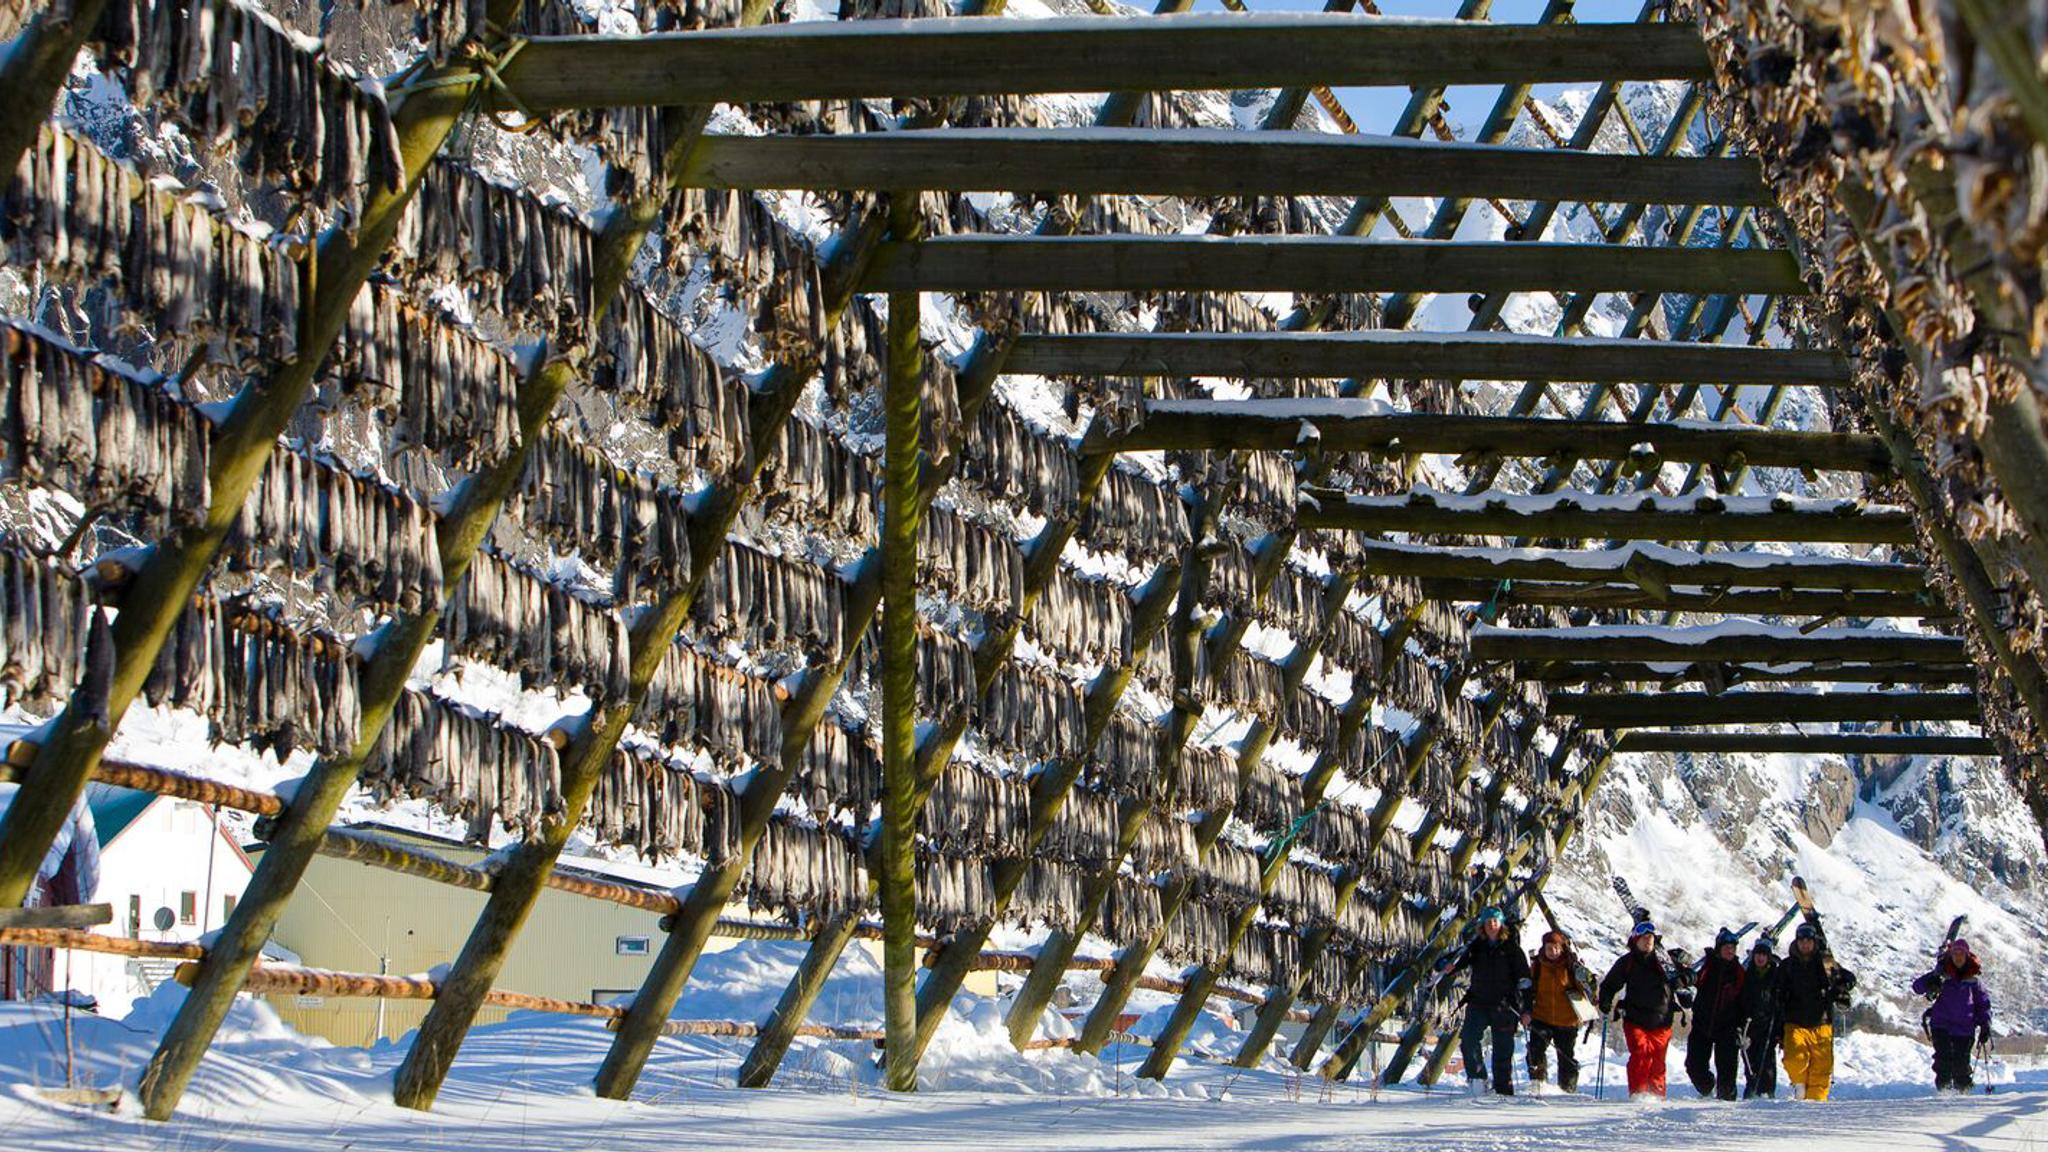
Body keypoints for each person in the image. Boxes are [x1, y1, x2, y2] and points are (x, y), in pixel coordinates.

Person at [1598, 919, 1689, 1099]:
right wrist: (1605, 1001)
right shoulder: (1627, 962)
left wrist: (1684, 979)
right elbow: (1609, 985)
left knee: (1657, 1060)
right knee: (1640, 1054)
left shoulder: (1666, 961)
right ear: (1635, 940)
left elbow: (1691, 974)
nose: (1648, 941)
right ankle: (1638, 1093)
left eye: (1651, 938)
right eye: (1644, 938)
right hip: (1635, 1018)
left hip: (1662, 1019)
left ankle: (1656, 1095)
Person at [1447, 906, 1533, 1096]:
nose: (1492, 925)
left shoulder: (1513, 949)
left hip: (1505, 1005)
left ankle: (1503, 1089)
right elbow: (1458, 961)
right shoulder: (1476, 947)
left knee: (1503, 1048)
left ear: (1501, 924)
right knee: (1468, 1039)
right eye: (1488, 922)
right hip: (1479, 1001)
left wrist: (1527, 1009)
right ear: (1483, 926)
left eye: (1495, 921)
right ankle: (1478, 1081)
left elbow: (1525, 981)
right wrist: (1448, 967)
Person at [1777, 921, 1857, 1101]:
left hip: (1822, 1022)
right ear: (1796, 942)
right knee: (1794, 1059)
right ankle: (1799, 1085)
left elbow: (1847, 977)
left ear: (1814, 942)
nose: (1805, 944)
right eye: (1801, 940)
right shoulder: (1788, 965)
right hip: (1794, 1021)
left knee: (1822, 1068)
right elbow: (1777, 990)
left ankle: (1816, 1103)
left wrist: (1845, 985)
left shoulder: (1825, 964)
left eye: (1808, 940)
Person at [1911, 938, 1992, 1091]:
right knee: (1943, 1060)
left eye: (1961, 953)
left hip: (1965, 1027)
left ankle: (1962, 1092)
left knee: (1961, 1063)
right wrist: (1932, 980)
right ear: (1951, 955)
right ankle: (1944, 1091)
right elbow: (1917, 987)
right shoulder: (1941, 975)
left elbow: (1983, 1005)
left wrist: (1985, 1025)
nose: (1958, 956)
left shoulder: (1974, 981)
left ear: (1967, 955)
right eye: (1955, 953)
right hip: (1941, 1024)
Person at [1526, 928, 1592, 1093]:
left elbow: (1587, 990)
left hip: (1567, 1019)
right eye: (1549, 948)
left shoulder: (1571, 967)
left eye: (1556, 948)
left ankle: (1567, 1089)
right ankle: (1538, 1083)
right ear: (1544, 948)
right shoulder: (1537, 966)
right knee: (1535, 1051)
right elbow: (1529, 989)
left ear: (1562, 948)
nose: (1553, 951)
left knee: (1566, 1056)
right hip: (1542, 1016)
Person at [1686, 928, 1747, 1100]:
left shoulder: (1739, 972)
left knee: (1727, 1073)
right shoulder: (1707, 966)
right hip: (1702, 1024)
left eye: (1733, 947)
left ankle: (1726, 1102)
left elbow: (1745, 999)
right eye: (1727, 946)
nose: (1730, 950)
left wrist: (1742, 1025)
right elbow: (1693, 980)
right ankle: (1707, 1088)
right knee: (1694, 1067)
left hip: (1728, 1027)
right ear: (1719, 948)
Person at [1739, 935, 1784, 1098]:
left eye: (1763, 955)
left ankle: (1767, 1091)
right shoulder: (1746, 974)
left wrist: (1779, 1027)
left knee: (1767, 1061)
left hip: (1768, 1025)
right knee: (1750, 1061)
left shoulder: (1776, 976)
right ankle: (1752, 1088)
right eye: (1758, 954)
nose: (1760, 958)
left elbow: (1781, 1001)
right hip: (1749, 1025)